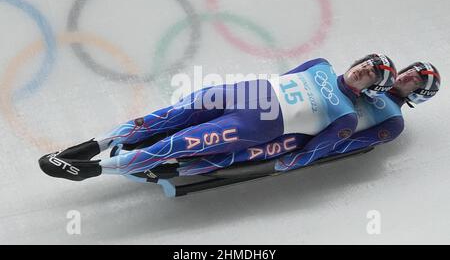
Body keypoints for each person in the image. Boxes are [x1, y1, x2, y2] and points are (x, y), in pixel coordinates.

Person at [39, 54, 397, 182]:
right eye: (364, 64)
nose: (362, 71)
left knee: (174, 143)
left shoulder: (347, 115)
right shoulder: (321, 64)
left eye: (369, 75)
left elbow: (312, 151)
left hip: (253, 127)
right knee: (168, 115)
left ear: (371, 89)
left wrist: (275, 161)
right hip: (239, 94)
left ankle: (94, 171)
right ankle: (90, 146)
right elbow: (286, 75)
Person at [173, 61, 440, 178]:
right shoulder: (372, 83)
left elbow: (353, 143)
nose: (408, 77)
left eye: (416, 80)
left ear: (419, 92)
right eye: (410, 72)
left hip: (309, 135)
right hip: (295, 110)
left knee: (261, 146)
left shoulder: (394, 122)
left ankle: (203, 164)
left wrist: (312, 152)